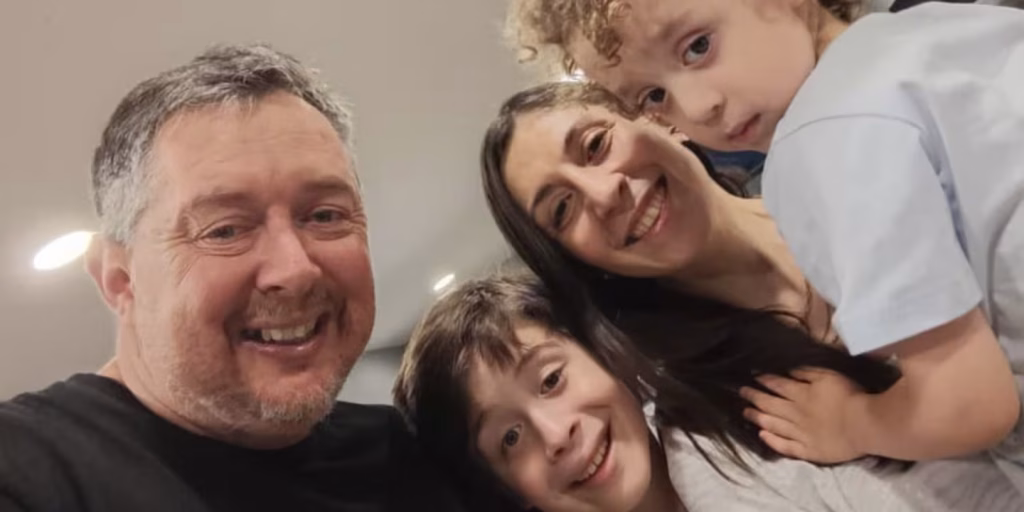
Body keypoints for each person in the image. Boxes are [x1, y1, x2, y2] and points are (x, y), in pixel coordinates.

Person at [503, 0, 1024, 488]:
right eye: (654, 96)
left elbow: (969, 402)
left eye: (698, 46)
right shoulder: (937, 27)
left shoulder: (817, 149)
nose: (699, 106)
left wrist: (850, 421)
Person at [0, 44, 465, 512]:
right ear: (119, 279)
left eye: (325, 215)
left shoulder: (414, 454)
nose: (295, 270)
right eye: (225, 230)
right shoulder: (26, 470)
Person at [395, 271, 1024, 512]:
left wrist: (862, 421)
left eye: (552, 379)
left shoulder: (751, 412)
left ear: (604, 356)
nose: (556, 434)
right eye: (510, 438)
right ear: (507, 488)